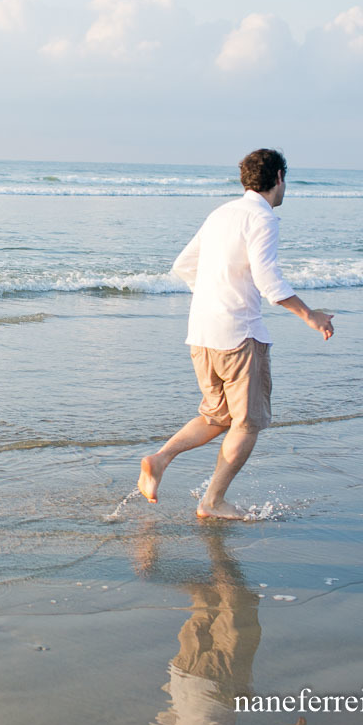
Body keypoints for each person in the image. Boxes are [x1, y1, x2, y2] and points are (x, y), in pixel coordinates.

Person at [138, 149, 334, 519]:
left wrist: (215, 297)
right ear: (279, 178)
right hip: (239, 336)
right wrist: (310, 315)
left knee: (218, 416)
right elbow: (268, 280)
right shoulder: (263, 218)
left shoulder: (221, 213)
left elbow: (183, 265)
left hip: (202, 333)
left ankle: (160, 459)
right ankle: (212, 502)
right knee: (247, 424)